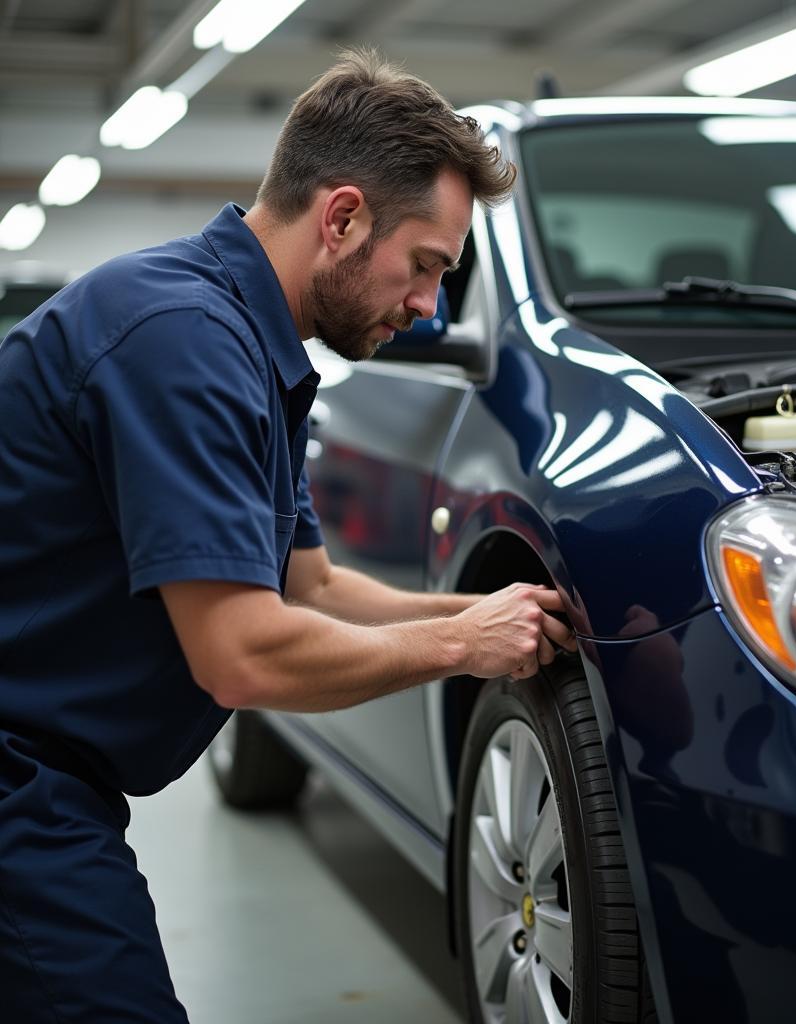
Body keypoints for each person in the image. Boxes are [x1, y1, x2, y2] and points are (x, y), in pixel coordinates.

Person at [0, 49, 576, 1022]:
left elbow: (311, 589)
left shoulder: (252, 345)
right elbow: (241, 657)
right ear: (342, 217)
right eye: (426, 266)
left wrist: (485, 612)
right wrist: (462, 645)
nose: (429, 306)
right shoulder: (181, 342)